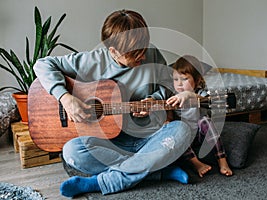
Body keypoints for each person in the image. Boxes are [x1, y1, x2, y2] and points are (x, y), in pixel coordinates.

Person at [33, 10, 194, 197]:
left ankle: (103, 181)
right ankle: (156, 171)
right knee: (72, 152)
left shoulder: (153, 55)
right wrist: (65, 98)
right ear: (113, 51)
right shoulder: (91, 61)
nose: (142, 56)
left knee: (182, 130)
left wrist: (155, 100)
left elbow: (166, 86)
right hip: (109, 144)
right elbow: (42, 64)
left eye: (144, 49)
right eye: (135, 54)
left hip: (148, 137)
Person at [166, 55, 233, 178]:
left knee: (205, 120)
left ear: (196, 81)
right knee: (174, 130)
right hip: (184, 136)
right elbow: (169, 112)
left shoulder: (199, 93)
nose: (179, 84)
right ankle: (196, 164)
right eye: (176, 79)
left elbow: (204, 99)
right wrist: (168, 120)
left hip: (199, 134)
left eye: (184, 79)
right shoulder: (173, 95)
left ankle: (222, 161)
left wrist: (188, 94)